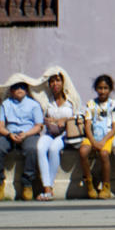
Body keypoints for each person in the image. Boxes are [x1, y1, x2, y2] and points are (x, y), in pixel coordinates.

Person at [0, 77, 45, 201]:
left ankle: (27, 183)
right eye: (16, 87)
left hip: (28, 133)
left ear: (27, 90)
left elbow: (39, 126)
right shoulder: (6, 104)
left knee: (32, 149)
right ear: (11, 90)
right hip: (9, 133)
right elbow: (0, 126)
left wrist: (26, 134)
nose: (19, 90)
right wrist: (9, 134)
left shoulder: (34, 104)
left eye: (22, 87)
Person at [35, 68, 81, 200]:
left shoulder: (72, 99)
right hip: (51, 132)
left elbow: (78, 117)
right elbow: (42, 118)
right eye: (52, 81)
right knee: (40, 147)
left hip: (66, 134)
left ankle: (49, 188)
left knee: (54, 148)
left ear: (63, 82)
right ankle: (47, 187)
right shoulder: (47, 101)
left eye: (58, 80)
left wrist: (65, 120)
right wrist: (48, 121)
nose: (55, 84)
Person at [76, 74, 115, 199]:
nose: (102, 91)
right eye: (100, 88)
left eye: (105, 88)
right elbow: (88, 125)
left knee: (104, 154)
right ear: (96, 89)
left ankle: (106, 185)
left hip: (107, 137)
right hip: (93, 136)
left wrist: (103, 142)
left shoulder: (114, 105)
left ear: (110, 89)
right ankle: (89, 182)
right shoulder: (91, 104)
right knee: (83, 151)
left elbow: (114, 128)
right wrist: (93, 141)